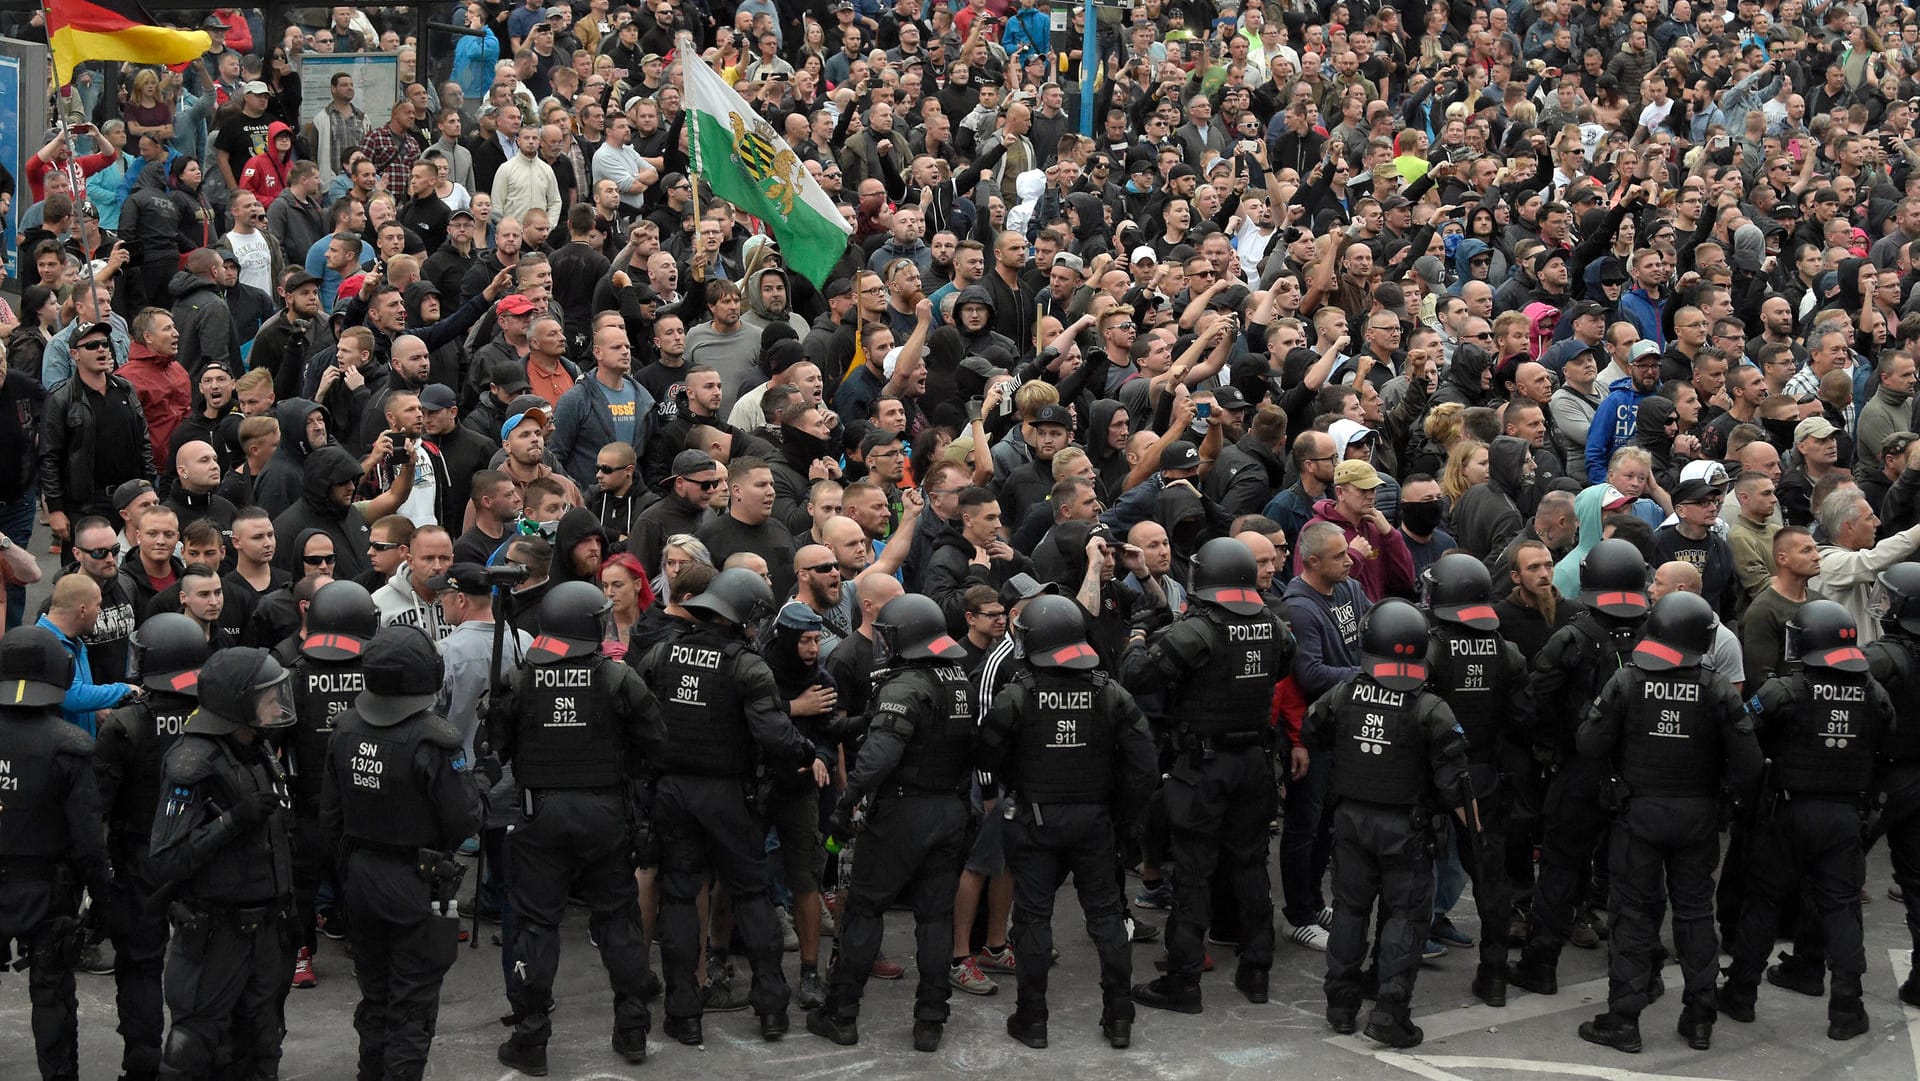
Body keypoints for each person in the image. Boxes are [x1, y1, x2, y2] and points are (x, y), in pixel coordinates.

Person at [1572, 589, 1762, 1054]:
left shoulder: (1628, 681)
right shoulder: (1717, 686)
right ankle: (1699, 1018)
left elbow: (1589, 744)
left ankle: (1624, 1019)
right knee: (1696, 913)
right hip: (1697, 817)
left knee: (1633, 914)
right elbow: (1750, 761)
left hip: (1637, 815)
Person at [634, 569, 816, 1046]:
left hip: (672, 793)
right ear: (747, 616)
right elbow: (775, 736)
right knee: (752, 896)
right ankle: (772, 1008)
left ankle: (683, 1014)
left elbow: (639, 717)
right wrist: (806, 753)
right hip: (730, 795)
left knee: (678, 898)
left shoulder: (662, 652)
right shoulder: (746, 665)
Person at [492, 582, 667, 1074]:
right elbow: (656, 741)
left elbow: (498, 747)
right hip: (606, 812)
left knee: (537, 926)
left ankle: (531, 1040)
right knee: (618, 920)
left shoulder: (519, 678)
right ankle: (632, 1029)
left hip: (538, 814)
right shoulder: (616, 676)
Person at [978, 596, 1157, 1050]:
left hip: (1035, 821)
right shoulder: (1110, 692)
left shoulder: (1016, 695)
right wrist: (1121, 818)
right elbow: (1143, 766)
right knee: (1106, 917)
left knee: (1034, 918)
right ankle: (1119, 1017)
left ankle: (1032, 1019)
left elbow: (987, 755)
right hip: (1095, 821)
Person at [1124, 538, 1293, 1012]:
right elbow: (1287, 662)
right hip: (1255, 764)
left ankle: (1183, 980)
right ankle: (1256, 971)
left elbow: (1138, 675)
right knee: (1250, 866)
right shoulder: (1271, 624)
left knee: (1194, 870)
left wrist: (1137, 636)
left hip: (1205, 766)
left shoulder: (1198, 629)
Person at [1301, 598, 1471, 1048]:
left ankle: (1340, 1007)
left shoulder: (1345, 692)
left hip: (1352, 823)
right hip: (1408, 831)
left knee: (1349, 913)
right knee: (1405, 920)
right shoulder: (1432, 709)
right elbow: (1456, 786)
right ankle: (1390, 1013)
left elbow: (1312, 731)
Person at [810, 593, 974, 1052]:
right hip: (950, 810)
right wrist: (847, 726)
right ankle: (930, 1022)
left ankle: (841, 1014)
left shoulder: (904, 685)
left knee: (865, 909)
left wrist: (845, 808)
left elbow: (881, 754)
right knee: (936, 917)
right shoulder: (956, 678)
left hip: (902, 813)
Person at [1721, 599, 1890, 1042]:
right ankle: (1847, 1009)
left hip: (1786, 812)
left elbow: (1742, 730)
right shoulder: (1873, 692)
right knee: (1842, 910)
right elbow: (1884, 746)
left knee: (1763, 901)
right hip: (1844, 816)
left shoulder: (1784, 690)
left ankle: (1740, 994)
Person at [320, 624, 483, 1081]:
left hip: (359, 876)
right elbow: (463, 820)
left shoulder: (344, 727)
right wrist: (480, 783)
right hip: (415, 881)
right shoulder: (434, 739)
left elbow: (329, 817)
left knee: (376, 995)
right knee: (411, 1005)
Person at [149, 647, 298, 1081]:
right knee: (193, 1049)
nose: (277, 705)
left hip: (266, 929)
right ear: (238, 702)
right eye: (267, 697)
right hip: (217, 936)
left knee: (261, 1045)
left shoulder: (257, 748)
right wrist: (232, 821)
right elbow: (165, 859)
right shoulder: (193, 762)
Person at [1511, 539, 1650, 995]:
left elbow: (1531, 702)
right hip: (1639, 776)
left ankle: (1540, 965)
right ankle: (1640, 973)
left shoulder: (1572, 637)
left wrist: (1547, 747)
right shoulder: (1658, 637)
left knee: (1559, 868)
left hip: (1579, 771)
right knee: (1636, 877)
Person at [92, 613, 208, 1081]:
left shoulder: (125, 724)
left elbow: (98, 805)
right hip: (201, 857)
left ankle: (141, 1063)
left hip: (140, 861)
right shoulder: (214, 716)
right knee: (203, 964)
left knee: (139, 965)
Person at [0, 626, 113, 1081]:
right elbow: (87, 838)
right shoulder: (69, 745)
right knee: (52, 996)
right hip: (48, 889)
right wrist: (103, 898)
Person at [1419, 554, 1531, 1006]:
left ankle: (1389, 970)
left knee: (1409, 874)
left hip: (1428, 776)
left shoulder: (1429, 647)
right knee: (1491, 879)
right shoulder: (1507, 651)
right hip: (1482, 775)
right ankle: (1495, 975)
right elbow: (1524, 718)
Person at [284, 581, 379, 988]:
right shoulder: (377, 673)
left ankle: (300, 954)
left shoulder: (291, 675)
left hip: (307, 800)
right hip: (363, 797)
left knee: (300, 885)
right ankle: (365, 950)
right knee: (362, 879)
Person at [1865, 563, 1920, 1006]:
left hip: (1886, 777)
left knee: (1832, 872)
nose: (1881, 606)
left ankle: (1809, 961)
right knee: (1916, 879)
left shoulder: (1884, 657)